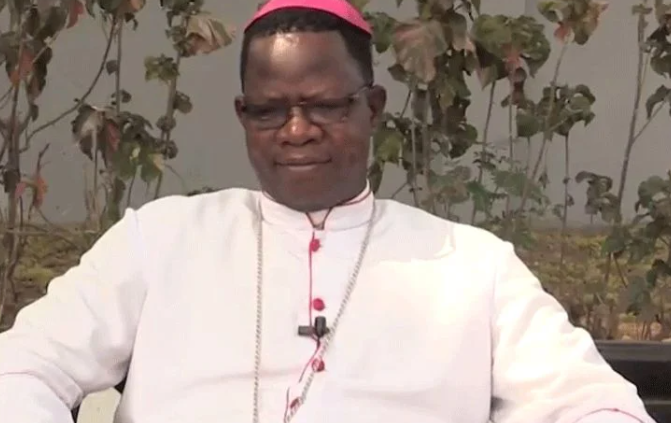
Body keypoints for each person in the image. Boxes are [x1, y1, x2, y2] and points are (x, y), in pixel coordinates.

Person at [0, 0, 656, 422]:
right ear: (243, 115)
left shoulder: (473, 266)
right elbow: (21, 368)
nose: (296, 131)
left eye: (323, 106)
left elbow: (595, 406)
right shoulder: (158, 240)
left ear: (372, 108)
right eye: (269, 110)